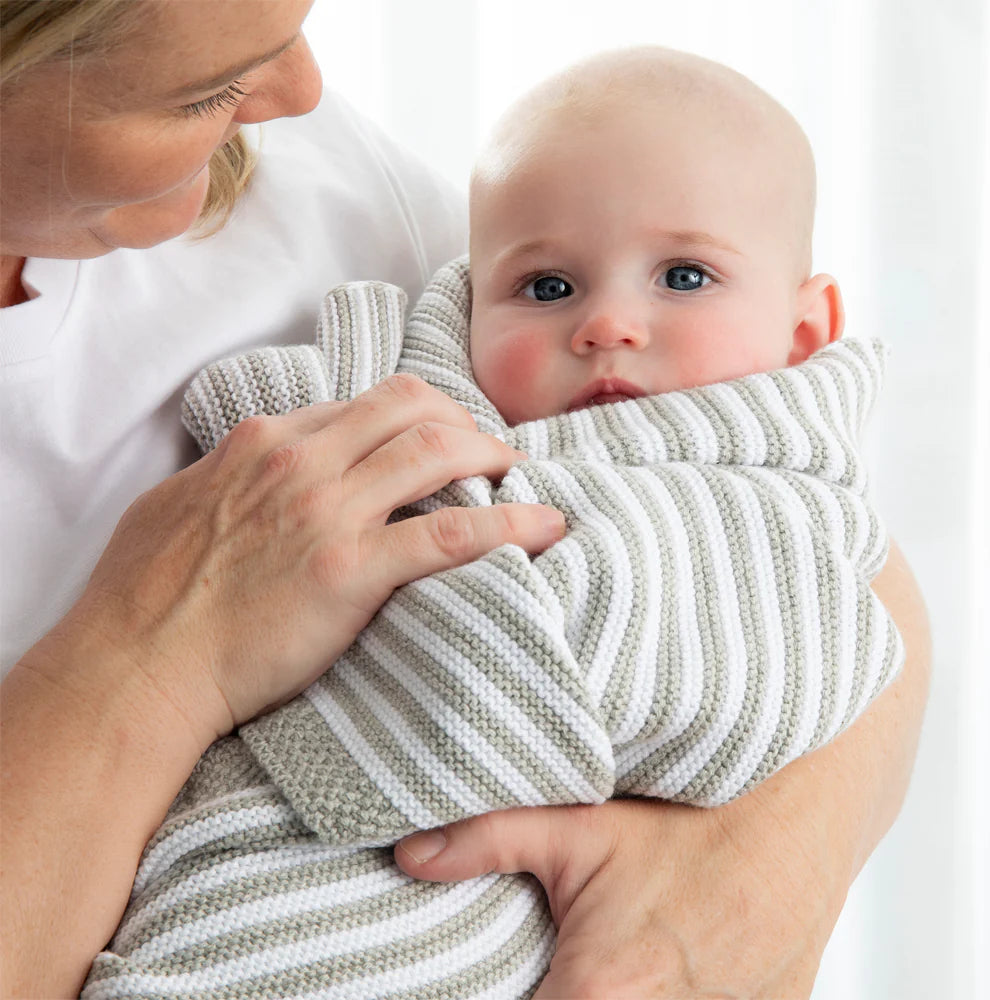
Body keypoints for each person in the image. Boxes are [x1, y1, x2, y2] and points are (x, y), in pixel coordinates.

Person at [0, 3, 929, 999]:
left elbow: (845, 582)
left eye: (683, 276)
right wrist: (145, 657)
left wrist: (754, 879)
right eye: (203, 91)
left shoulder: (319, 170)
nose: (299, 94)